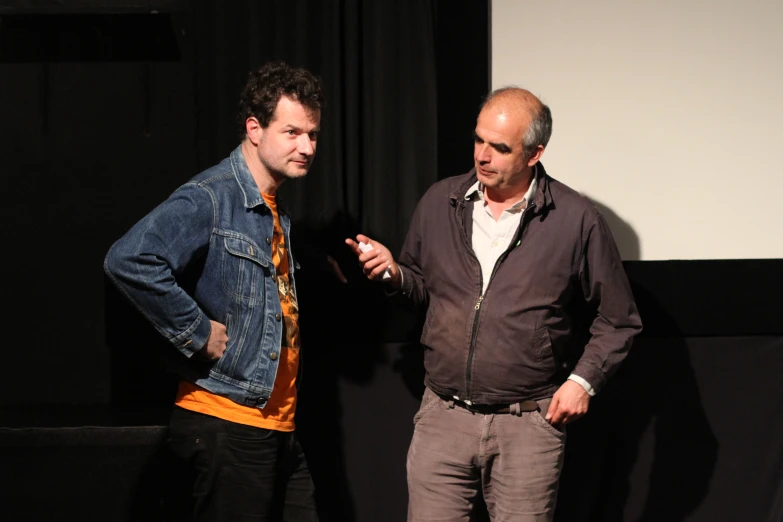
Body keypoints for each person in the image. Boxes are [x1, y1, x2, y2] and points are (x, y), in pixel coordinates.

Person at [346, 87, 642, 522]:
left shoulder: (575, 219)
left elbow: (618, 320)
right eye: (479, 140)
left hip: (527, 427)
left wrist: (583, 381)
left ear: (534, 153)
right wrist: (394, 273)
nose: (482, 156)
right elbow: (423, 292)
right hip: (443, 417)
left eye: (499, 148)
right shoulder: (439, 202)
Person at [104, 61, 324, 522]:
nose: (307, 147)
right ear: (255, 128)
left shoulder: (274, 210)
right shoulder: (212, 196)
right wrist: (196, 330)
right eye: (292, 133)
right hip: (226, 422)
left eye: (313, 135)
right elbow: (129, 259)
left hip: (277, 425)